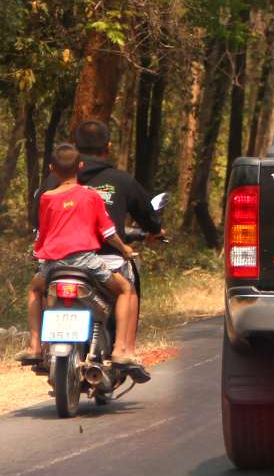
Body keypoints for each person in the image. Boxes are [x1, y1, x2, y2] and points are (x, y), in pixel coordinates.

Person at [35, 119, 164, 368]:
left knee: (38, 287)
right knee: (129, 287)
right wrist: (154, 231)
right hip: (104, 258)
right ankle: (123, 349)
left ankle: (39, 346)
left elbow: (38, 222)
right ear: (109, 146)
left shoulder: (53, 183)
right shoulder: (121, 180)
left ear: (74, 148)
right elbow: (139, 219)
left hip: (56, 258)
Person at [16, 144, 139, 367]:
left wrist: (37, 253)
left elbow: (43, 233)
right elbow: (108, 232)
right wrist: (124, 249)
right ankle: (120, 350)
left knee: (34, 289)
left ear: (52, 168)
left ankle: (35, 345)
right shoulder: (90, 196)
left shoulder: (46, 197)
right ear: (80, 166)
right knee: (125, 289)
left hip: (53, 265)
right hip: (86, 262)